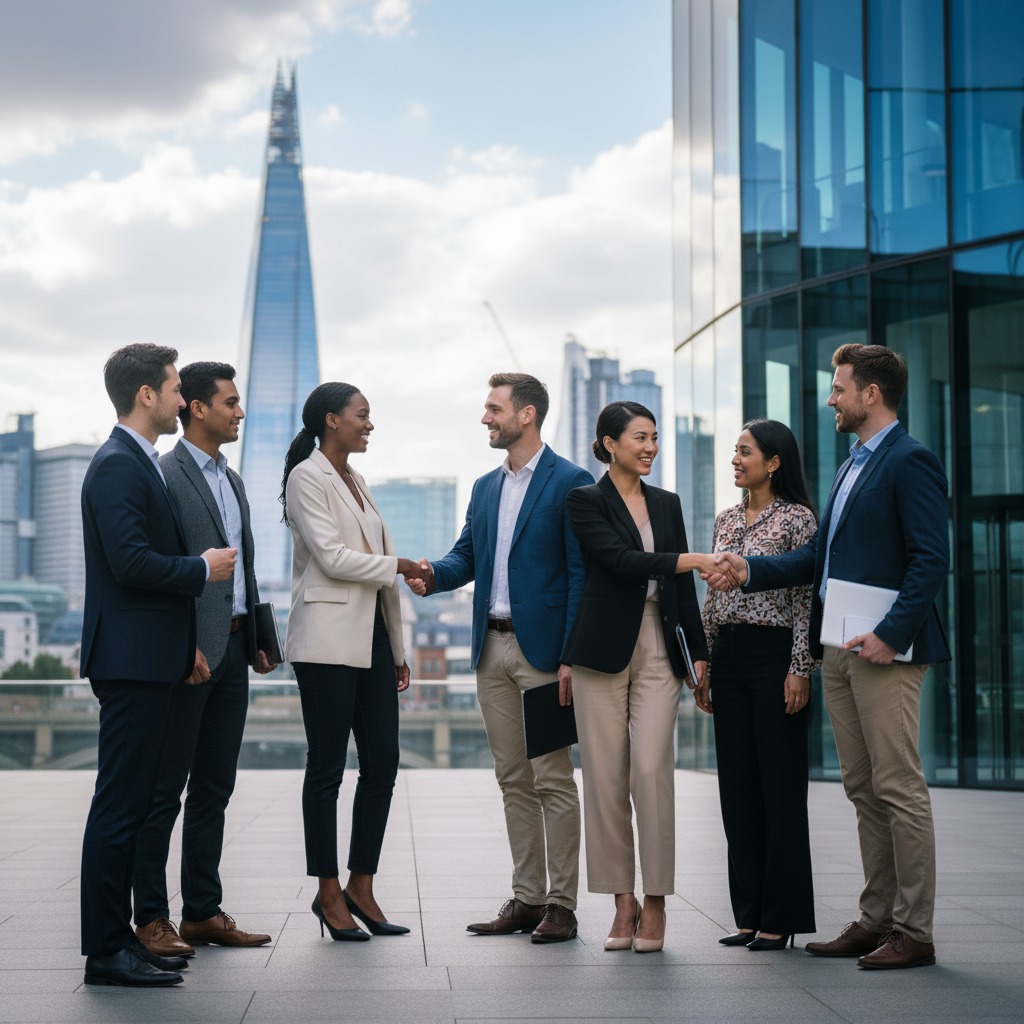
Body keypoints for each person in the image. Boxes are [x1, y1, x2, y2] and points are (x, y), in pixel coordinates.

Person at [706, 344, 950, 970]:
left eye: (840, 388)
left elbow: (930, 560)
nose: (831, 398)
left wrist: (892, 635)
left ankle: (913, 931)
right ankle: (875, 919)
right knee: (863, 787)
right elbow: (817, 562)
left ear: (871, 394)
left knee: (898, 786)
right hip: (840, 648)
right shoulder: (849, 467)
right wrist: (751, 567)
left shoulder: (910, 460)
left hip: (885, 653)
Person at [407, 372, 592, 943]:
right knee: (513, 778)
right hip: (491, 650)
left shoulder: (572, 481)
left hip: (543, 657)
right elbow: (469, 554)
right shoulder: (486, 486)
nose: (485, 418)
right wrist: (432, 574)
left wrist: (569, 656)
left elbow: (581, 573)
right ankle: (528, 898)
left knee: (552, 779)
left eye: (494, 408)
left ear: (527, 414)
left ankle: (562, 905)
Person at [79, 344, 236, 987]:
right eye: (174, 388)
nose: (180, 399)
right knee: (119, 808)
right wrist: (203, 567)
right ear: (146, 394)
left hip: (153, 659)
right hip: (132, 663)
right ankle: (106, 951)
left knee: (136, 801)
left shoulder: (138, 462)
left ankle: (122, 942)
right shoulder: (119, 464)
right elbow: (131, 563)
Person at [132, 362, 278, 959]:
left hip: (235, 649)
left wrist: (258, 634)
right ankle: (152, 918)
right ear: (195, 407)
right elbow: (166, 566)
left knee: (215, 786)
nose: (239, 411)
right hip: (189, 653)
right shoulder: (165, 475)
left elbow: (239, 567)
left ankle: (201, 911)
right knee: (166, 790)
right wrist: (183, 642)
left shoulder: (234, 479)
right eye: (230, 402)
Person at [561, 401, 711, 953]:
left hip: (658, 647)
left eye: (653, 437)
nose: (649, 447)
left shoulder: (667, 504)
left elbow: (681, 593)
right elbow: (619, 561)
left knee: (650, 770)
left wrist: (698, 652)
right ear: (608, 443)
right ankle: (621, 900)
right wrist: (693, 559)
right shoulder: (584, 500)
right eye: (638, 438)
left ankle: (656, 901)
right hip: (600, 651)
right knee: (603, 778)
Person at [282, 382, 429, 941]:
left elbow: (371, 570)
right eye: (362, 415)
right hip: (325, 642)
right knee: (326, 771)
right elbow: (334, 558)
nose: (370, 424)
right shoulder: (306, 477)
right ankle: (327, 892)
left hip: (369, 639)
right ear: (331, 421)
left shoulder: (357, 481)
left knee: (383, 765)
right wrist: (400, 563)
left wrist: (395, 648)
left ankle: (360, 885)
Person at [700, 419, 818, 951]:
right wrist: (702, 659)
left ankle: (781, 916)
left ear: (773, 462)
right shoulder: (725, 519)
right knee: (738, 791)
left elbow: (804, 599)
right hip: (727, 657)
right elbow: (712, 594)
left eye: (744, 452)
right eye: (734, 452)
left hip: (775, 659)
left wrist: (800, 668)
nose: (735, 460)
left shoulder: (797, 519)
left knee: (780, 790)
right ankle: (747, 915)